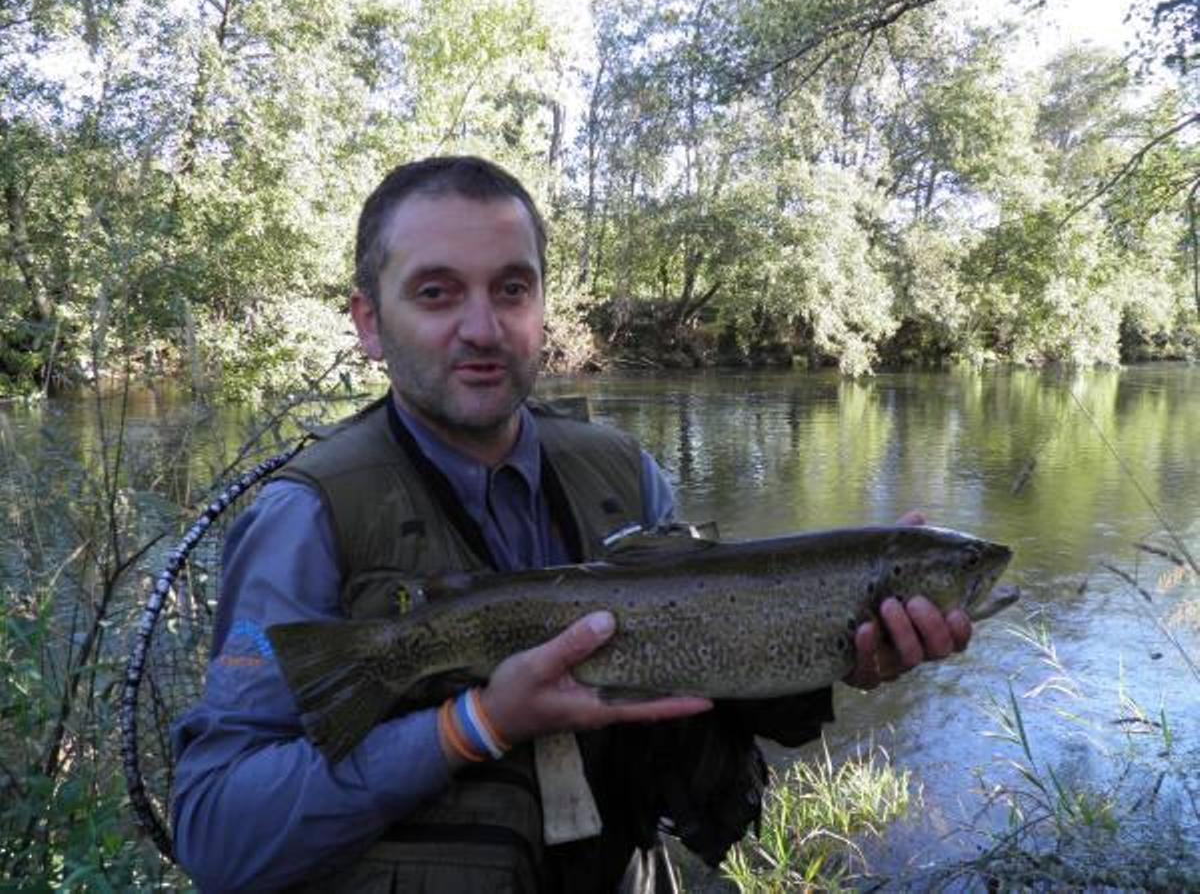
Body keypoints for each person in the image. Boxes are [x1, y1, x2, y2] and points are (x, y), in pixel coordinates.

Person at [170, 155, 972, 892]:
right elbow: (216, 833)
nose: (482, 328)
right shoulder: (304, 517)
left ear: (543, 308)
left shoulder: (622, 474)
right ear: (370, 323)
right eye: (436, 292)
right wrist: (474, 725)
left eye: (512, 289)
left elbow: (700, 668)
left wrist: (841, 652)